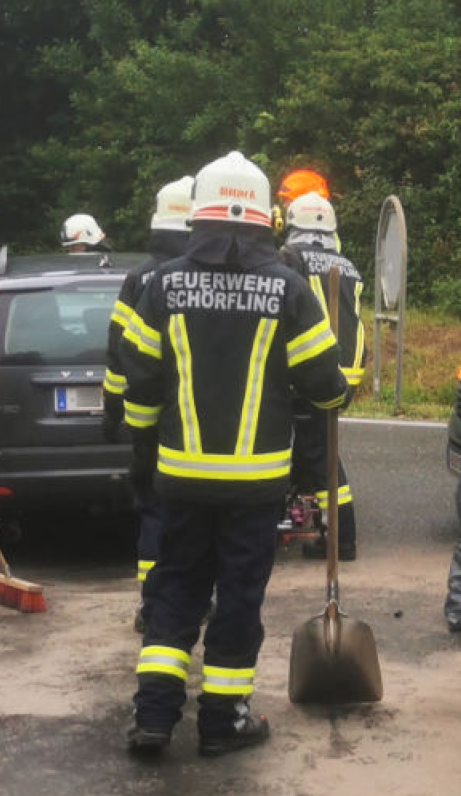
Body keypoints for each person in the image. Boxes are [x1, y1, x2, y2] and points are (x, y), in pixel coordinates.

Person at [118, 151, 348, 757]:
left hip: (180, 481)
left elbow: (137, 383)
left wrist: (144, 461)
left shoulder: (164, 284)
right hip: (256, 486)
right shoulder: (290, 288)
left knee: (173, 594)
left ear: (199, 217)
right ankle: (222, 723)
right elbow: (324, 385)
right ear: (264, 219)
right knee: (239, 600)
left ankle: (154, 720)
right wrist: (336, 394)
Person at [105, 177, 194, 626]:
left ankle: (151, 604)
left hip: (148, 425)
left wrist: (111, 408)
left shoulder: (138, 277)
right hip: (193, 421)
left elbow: (119, 347)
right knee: (194, 515)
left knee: (155, 515)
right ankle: (196, 597)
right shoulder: (197, 279)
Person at [279, 190, 363, 560]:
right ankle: (308, 513)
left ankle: (341, 541)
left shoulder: (290, 259)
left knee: (322, 455)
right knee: (316, 445)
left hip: (314, 367)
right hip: (348, 370)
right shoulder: (347, 264)